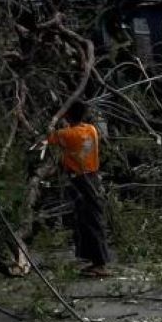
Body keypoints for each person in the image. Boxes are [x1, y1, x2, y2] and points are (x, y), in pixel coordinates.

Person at [48, 102, 112, 277]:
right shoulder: (91, 129)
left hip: (81, 180)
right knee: (86, 218)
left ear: (67, 115)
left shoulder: (67, 134)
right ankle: (93, 260)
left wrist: (54, 121)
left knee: (90, 219)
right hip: (92, 177)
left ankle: (100, 263)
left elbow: (47, 138)